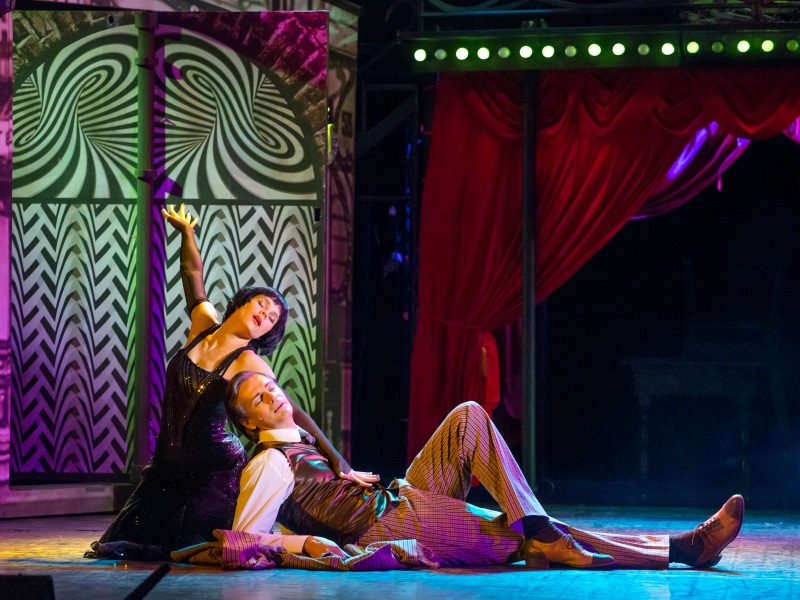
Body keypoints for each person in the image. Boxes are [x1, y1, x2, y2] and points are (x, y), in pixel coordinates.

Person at [224, 371, 745, 569]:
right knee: (527, 535)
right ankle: (683, 548)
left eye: (270, 386)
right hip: (387, 526)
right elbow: (245, 540)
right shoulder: (269, 462)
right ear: (246, 422)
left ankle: (541, 532)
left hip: (399, 498)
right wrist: (315, 544)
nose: (272, 395)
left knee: (469, 416)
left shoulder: (298, 447)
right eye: (258, 399)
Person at [86, 205, 376, 561]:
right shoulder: (202, 323)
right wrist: (187, 233)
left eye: (272, 318)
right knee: (121, 548)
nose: (265, 315)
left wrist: (338, 461)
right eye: (262, 304)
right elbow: (192, 273)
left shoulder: (248, 362)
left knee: (185, 550)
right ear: (242, 302)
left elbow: (292, 411)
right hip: (166, 464)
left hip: (212, 471)